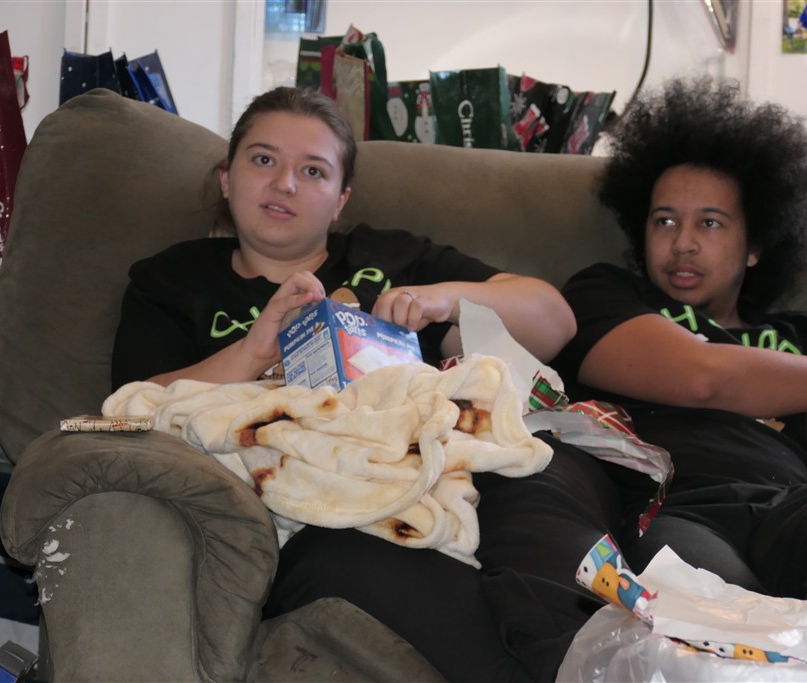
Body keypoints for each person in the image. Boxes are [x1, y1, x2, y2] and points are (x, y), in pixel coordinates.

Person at [111, 86, 595, 682]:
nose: (285, 183)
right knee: (338, 559)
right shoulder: (172, 280)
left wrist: (443, 301)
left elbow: (555, 322)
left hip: (464, 462)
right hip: (334, 503)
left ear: (340, 200)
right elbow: (131, 407)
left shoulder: (389, 256)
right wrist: (255, 349)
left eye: (312, 171)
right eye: (263, 159)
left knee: (537, 477)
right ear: (227, 179)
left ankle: (598, 660)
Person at [550, 76, 807, 601]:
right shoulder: (604, 295)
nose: (683, 243)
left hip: (797, 512)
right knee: (711, 603)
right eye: (664, 221)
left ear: (755, 245)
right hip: (681, 512)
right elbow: (702, 377)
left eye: (711, 224)